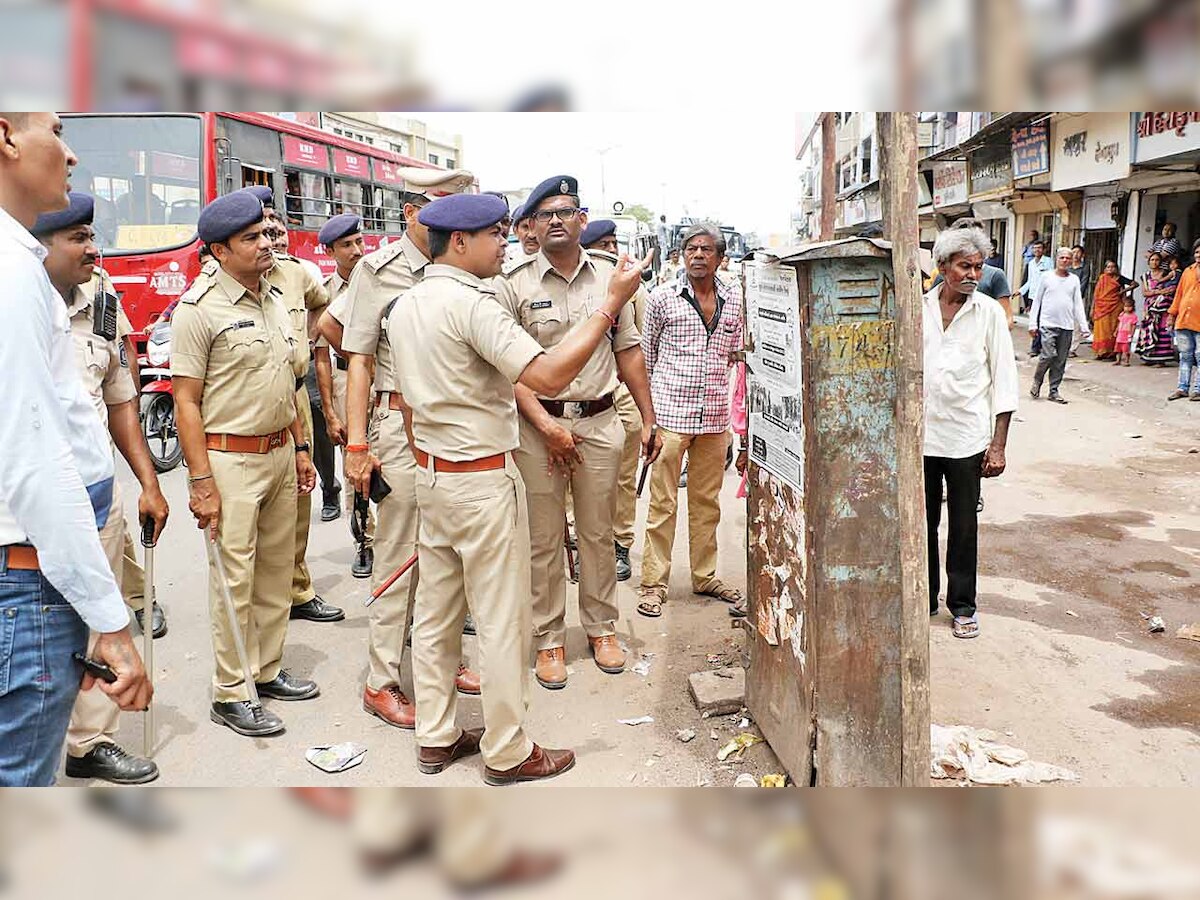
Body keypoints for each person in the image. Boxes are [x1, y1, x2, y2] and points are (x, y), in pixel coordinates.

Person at [387, 192, 651, 784]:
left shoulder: (408, 304)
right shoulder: (473, 304)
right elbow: (548, 374)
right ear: (461, 242)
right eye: (495, 235)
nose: (505, 244)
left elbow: (405, 404)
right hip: (480, 479)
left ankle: (437, 735)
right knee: (503, 620)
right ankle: (507, 750)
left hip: (434, 476)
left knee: (435, 616)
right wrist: (609, 305)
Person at [0, 111, 152, 786]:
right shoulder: (10, 276)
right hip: (29, 577)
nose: (70, 154)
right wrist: (111, 623)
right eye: (56, 131)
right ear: (5, 136)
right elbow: (33, 459)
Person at [496, 175, 660, 690]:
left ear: (582, 219)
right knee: (543, 540)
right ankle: (548, 639)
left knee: (597, 533)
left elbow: (628, 351)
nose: (557, 221)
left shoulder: (613, 279)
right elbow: (506, 369)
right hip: (536, 427)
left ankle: (602, 627)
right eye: (545, 215)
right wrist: (545, 424)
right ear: (531, 227)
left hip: (600, 421)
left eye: (566, 211)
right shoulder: (513, 282)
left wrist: (650, 418)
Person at [29, 192, 167, 785]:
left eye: (93, 235)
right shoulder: (16, 303)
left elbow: (121, 397)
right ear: (39, 248)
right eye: (79, 239)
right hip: (24, 503)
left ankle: (90, 741)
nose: (95, 248)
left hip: (93, 494)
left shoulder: (104, 299)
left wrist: (148, 481)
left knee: (97, 615)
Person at [171, 190, 319, 737]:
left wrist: (302, 449)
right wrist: (200, 480)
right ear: (217, 251)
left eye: (265, 234)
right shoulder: (199, 310)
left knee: (276, 570)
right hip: (229, 459)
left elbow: (288, 381)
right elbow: (185, 401)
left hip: (281, 450)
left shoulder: (275, 295)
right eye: (251, 239)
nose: (266, 244)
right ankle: (231, 692)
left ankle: (266, 669)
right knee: (235, 576)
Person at [339, 166, 480, 729]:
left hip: (457, 427)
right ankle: (381, 681)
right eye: (445, 206)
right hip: (399, 426)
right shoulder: (378, 271)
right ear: (414, 211)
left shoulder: (470, 267)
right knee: (398, 558)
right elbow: (357, 356)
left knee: (448, 555)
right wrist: (355, 441)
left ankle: (441, 664)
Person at [240, 186, 344, 625]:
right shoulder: (223, 281)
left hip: (295, 396)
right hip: (246, 405)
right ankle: (258, 608)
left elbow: (325, 310)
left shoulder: (297, 275)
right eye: (259, 226)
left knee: (298, 502)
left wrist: (309, 346)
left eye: (273, 224)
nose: (270, 235)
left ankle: (298, 590)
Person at [636, 224, 745, 619]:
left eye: (706, 250)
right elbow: (645, 359)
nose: (697, 255)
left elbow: (737, 354)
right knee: (662, 504)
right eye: (690, 249)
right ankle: (653, 584)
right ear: (682, 256)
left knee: (706, 502)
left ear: (720, 258)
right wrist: (646, 422)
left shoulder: (734, 299)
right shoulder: (662, 298)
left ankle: (705, 576)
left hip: (714, 420)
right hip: (670, 416)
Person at [923, 227, 1018, 640]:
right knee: (920, 524)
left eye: (978, 266)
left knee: (963, 526)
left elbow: (1005, 379)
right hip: (921, 437)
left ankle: (962, 605)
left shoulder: (989, 313)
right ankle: (922, 597)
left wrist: (998, 445)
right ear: (943, 267)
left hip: (966, 437)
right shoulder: (918, 306)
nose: (973, 274)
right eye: (964, 265)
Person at [581, 218, 649, 581]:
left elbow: (640, 348)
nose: (609, 251)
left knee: (624, 473)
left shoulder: (631, 288)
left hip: (620, 390)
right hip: (580, 389)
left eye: (612, 243)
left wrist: (646, 408)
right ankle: (581, 541)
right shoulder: (580, 286)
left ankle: (620, 542)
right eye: (601, 245)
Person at [313, 213, 374, 550]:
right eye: (346, 245)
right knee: (355, 462)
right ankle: (364, 540)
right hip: (345, 379)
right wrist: (331, 414)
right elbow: (321, 358)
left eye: (359, 242)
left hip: (384, 381)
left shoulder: (380, 279)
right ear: (329, 251)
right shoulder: (325, 293)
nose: (356, 250)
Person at [1028, 247, 1091, 404]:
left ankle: (1054, 391)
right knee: (1048, 355)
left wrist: (1084, 327)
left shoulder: (1074, 280)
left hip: (1067, 325)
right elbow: (1037, 301)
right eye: (1062, 257)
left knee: (1060, 360)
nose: (1065, 260)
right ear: (1056, 259)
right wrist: (1032, 324)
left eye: (1068, 258)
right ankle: (1037, 380)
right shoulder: (1046, 277)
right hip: (1048, 323)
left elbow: (1077, 304)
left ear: (1071, 261)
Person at [1167, 239, 1200, 401]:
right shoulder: (1188, 271)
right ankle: (1182, 388)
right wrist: (1172, 315)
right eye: (1197, 252)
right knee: (1185, 356)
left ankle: (1198, 389)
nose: (1199, 255)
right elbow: (1179, 295)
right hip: (1184, 320)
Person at [1137, 252, 1180, 367]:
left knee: (1162, 331)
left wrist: (1161, 293)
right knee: (1148, 330)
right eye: (1152, 260)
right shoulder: (1145, 276)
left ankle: (1161, 360)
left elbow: (1171, 289)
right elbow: (1145, 293)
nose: (1154, 262)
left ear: (1160, 262)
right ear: (1149, 262)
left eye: (1157, 260)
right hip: (1150, 307)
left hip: (1163, 307)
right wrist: (1158, 292)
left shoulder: (1166, 274)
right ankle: (1148, 357)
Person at [1090, 258, 1136, 360]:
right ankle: (1101, 352)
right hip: (1101, 307)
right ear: (1105, 269)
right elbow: (1096, 295)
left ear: (1116, 268)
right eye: (1108, 267)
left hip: (1115, 307)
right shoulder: (1102, 278)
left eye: (1113, 267)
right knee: (1101, 329)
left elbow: (1135, 284)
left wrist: (1122, 292)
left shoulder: (1120, 278)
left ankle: (1111, 353)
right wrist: (1092, 308)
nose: (1110, 269)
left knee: (1112, 330)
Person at [1018, 239, 1052, 319]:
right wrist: (1020, 291)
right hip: (1033, 296)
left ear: (1044, 250)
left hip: (1044, 296)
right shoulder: (1031, 263)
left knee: (1043, 319)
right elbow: (1030, 281)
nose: (1037, 250)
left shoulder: (1049, 261)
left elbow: (1051, 279)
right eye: (1035, 248)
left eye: (1039, 248)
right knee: (1033, 318)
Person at [1114, 298, 1138, 367]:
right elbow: (1119, 323)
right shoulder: (1122, 314)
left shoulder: (1133, 316)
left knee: (1126, 349)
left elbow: (1133, 326)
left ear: (1132, 307)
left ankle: (1126, 361)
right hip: (1120, 334)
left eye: (1129, 307)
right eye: (1125, 306)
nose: (1127, 308)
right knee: (1118, 348)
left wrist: (1132, 334)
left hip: (1127, 335)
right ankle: (1118, 360)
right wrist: (1116, 331)